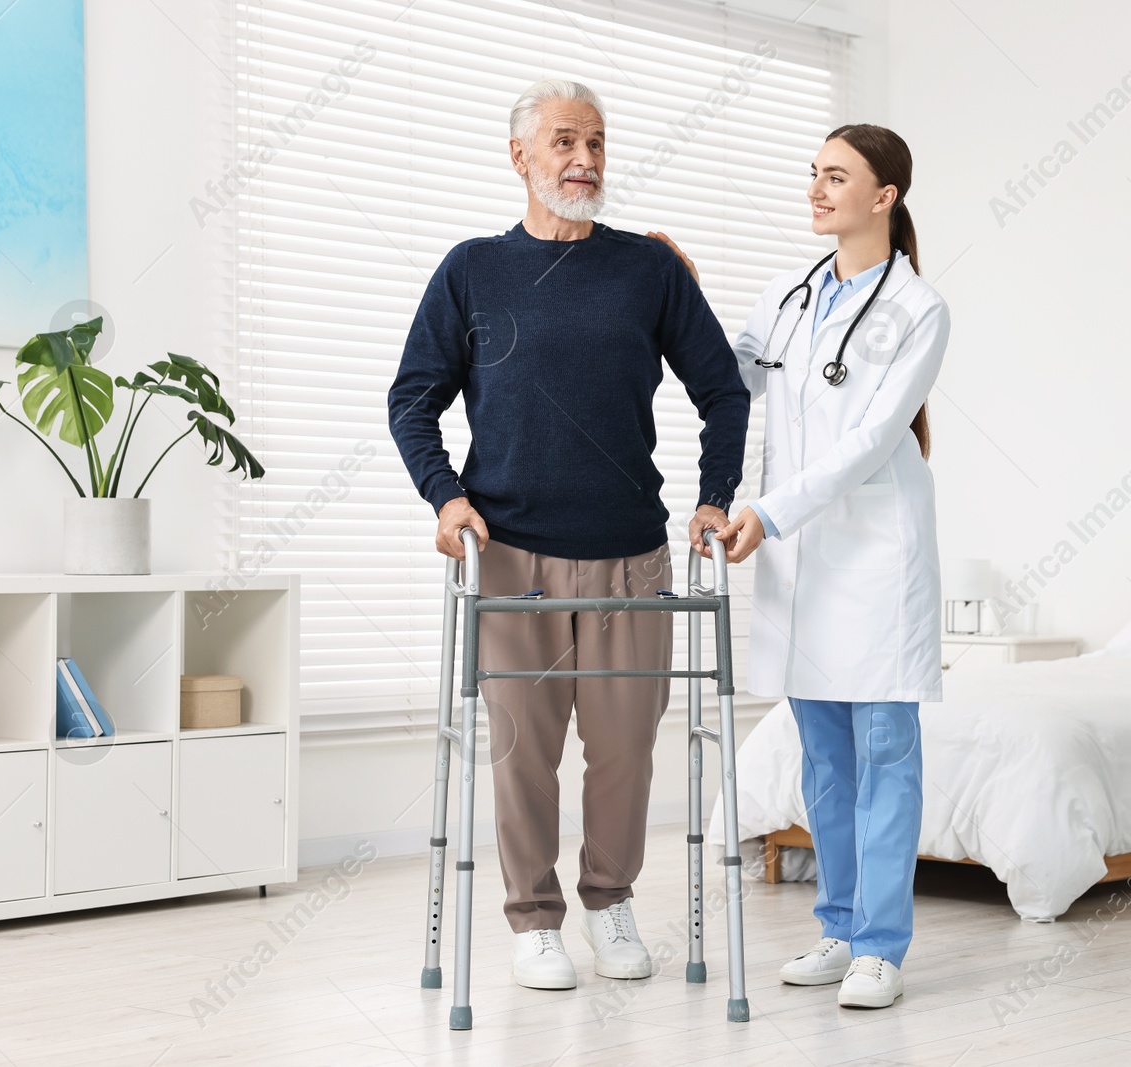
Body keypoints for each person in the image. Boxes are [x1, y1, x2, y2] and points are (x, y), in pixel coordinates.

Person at [387, 79, 750, 992]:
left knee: (627, 747)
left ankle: (609, 899)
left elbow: (723, 391)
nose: (584, 159)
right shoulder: (472, 268)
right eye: (563, 142)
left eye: (596, 141)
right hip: (510, 551)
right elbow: (413, 398)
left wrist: (714, 497)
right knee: (522, 749)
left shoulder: (649, 269)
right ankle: (534, 918)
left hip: (631, 552)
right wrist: (445, 498)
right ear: (521, 157)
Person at [663, 123, 948, 1009]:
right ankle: (837, 927)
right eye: (814, 175)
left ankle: (881, 946)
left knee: (885, 750)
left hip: (873, 551)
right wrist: (682, 293)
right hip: (800, 556)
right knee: (824, 756)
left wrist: (769, 511)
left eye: (837, 176)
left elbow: (871, 440)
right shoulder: (789, 293)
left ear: (884, 196)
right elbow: (731, 378)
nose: (818, 190)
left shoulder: (917, 309)